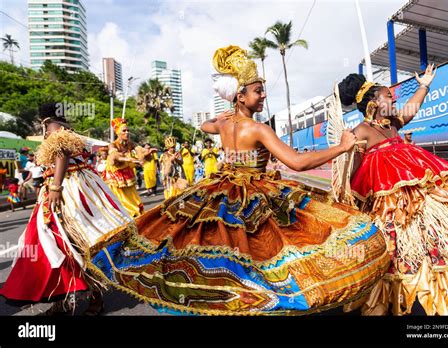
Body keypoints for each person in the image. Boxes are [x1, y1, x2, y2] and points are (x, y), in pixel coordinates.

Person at [87, 45, 389, 316]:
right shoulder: (258, 130)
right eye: (258, 90)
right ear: (240, 95)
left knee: (226, 254)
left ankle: (225, 299)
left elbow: (206, 125)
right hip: (253, 192)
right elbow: (296, 161)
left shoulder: (222, 122)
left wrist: (221, 120)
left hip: (219, 188)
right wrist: (342, 147)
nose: (264, 95)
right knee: (261, 253)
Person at [338, 64, 448, 316]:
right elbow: (353, 175)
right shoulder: (361, 132)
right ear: (373, 103)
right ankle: (402, 295)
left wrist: (425, 85)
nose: (394, 98)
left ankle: (441, 283)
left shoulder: (393, 124)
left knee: (439, 239)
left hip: (420, 197)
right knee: (398, 254)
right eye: (389, 96)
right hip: (391, 209)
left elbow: (412, 108)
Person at [0, 102, 134, 316]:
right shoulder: (65, 126)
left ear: (42, 118)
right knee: (61, 244)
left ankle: (94, 299)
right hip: (77, 185)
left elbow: (61, 153)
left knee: (72, 243)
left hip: (68, 188)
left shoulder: (53, 127)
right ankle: (62, 301)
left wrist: (55, 187)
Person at [105, 118, 144, 217]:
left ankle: (134, 214)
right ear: (118, 132)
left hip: (126, 172)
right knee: (119, 199)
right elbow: (114, 156)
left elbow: (139, 149)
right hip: (115, 175)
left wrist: (141, 158)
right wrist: (128, 159)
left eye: (128, 130)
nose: (127, 132)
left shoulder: (130, 143)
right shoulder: (112, 144)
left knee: (132, 197)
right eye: (124, 131)